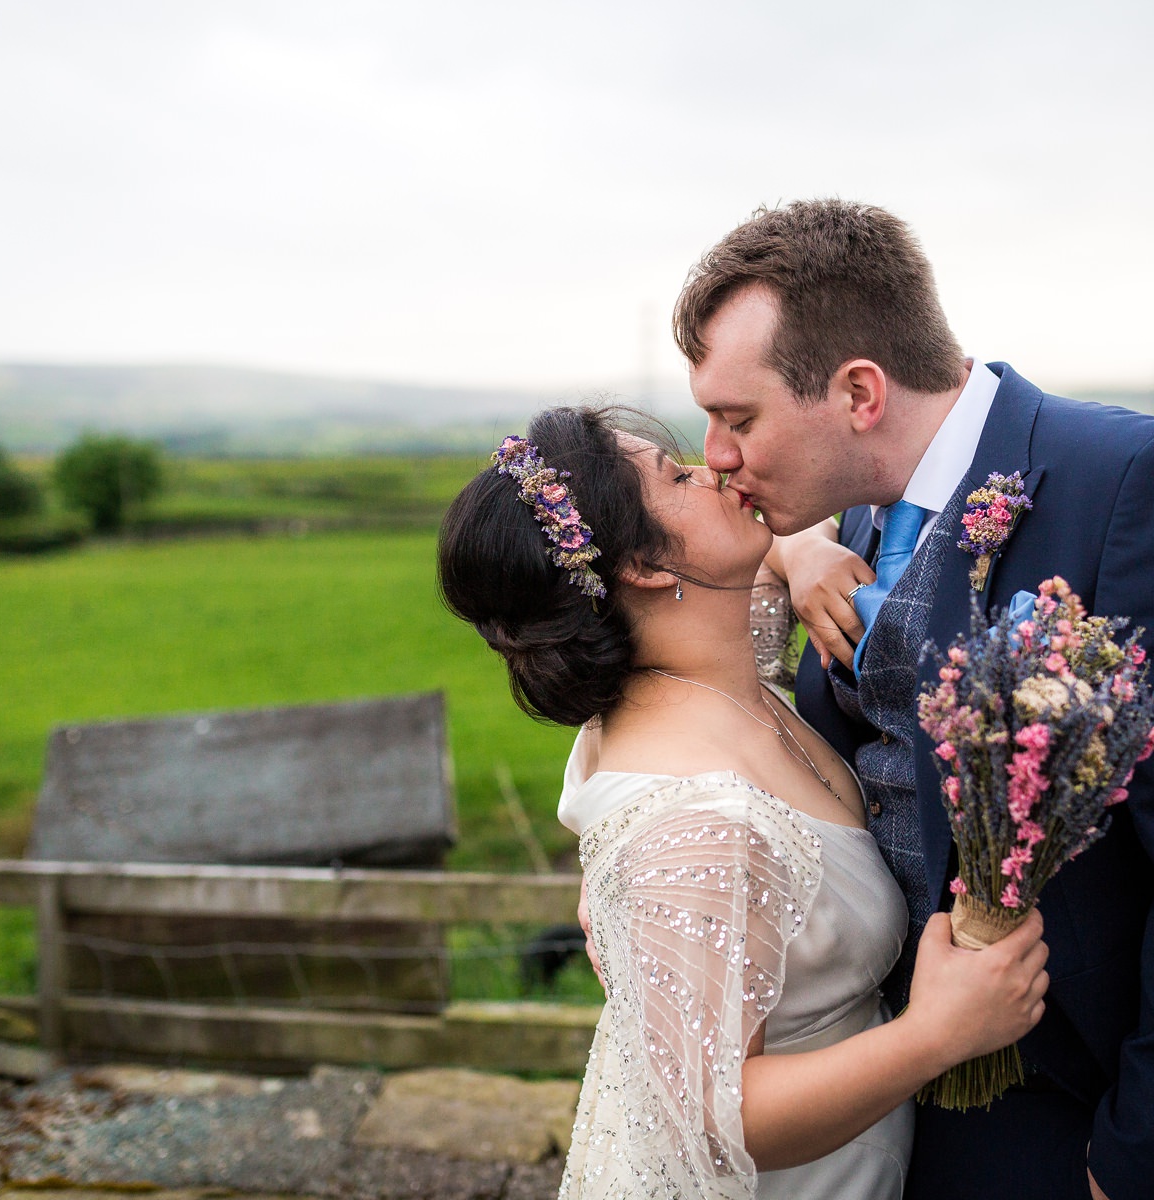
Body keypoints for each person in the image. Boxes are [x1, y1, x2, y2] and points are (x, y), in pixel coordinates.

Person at [677, 200, 1154, 1199]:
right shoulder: (836, 516)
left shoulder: (1132, 482)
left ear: (858, 392)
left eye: (738, 418)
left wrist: (1147, 1159)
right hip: (917, 1125)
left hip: (1104, 1120)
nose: (718, 454)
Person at [438, 407, 1051, 1200]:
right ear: (647, 570)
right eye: (675, 475)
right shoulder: (697, 823)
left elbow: (764, 574)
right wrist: (940, 1033)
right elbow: (711, 1116)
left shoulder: (703, 677)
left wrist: (798, 550)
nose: (712, 468)